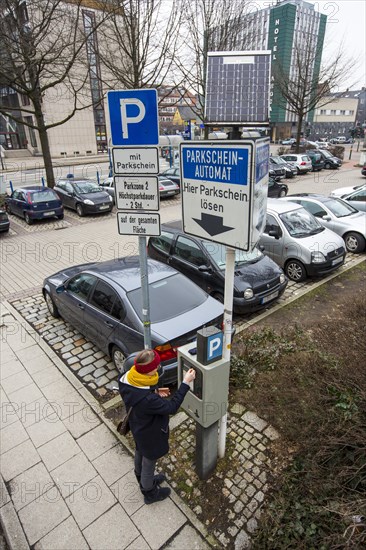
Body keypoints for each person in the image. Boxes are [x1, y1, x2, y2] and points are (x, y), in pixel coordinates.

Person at [118, 349, 195, 505]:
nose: (159, 367)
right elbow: (172, 407)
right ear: (148, 371)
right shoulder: (148, 400)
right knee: (149, 461)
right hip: (150, 433)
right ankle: (149, 492)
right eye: (156, 366)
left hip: (137, 427)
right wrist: (186, 383)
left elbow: (138, 392)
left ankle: (140, 477)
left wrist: (155, 391)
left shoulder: (127, 377)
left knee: (140, 451)